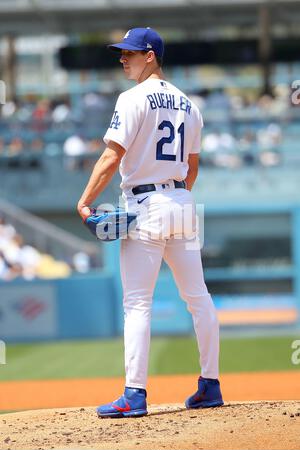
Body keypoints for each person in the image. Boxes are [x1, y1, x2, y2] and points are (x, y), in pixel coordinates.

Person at [77, 27, 223, 418]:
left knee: (137, 302)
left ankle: (134, 395)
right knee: (199, 297)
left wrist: (86, 201)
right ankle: (210, 385)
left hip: (145, 203)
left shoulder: (132, 98)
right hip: (183, 201)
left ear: (151, 56)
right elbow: (192, 166)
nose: (123, 58)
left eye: (131, 52)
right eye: (122, 52)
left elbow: (110, 158)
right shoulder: (190, 104)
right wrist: (175, 196)